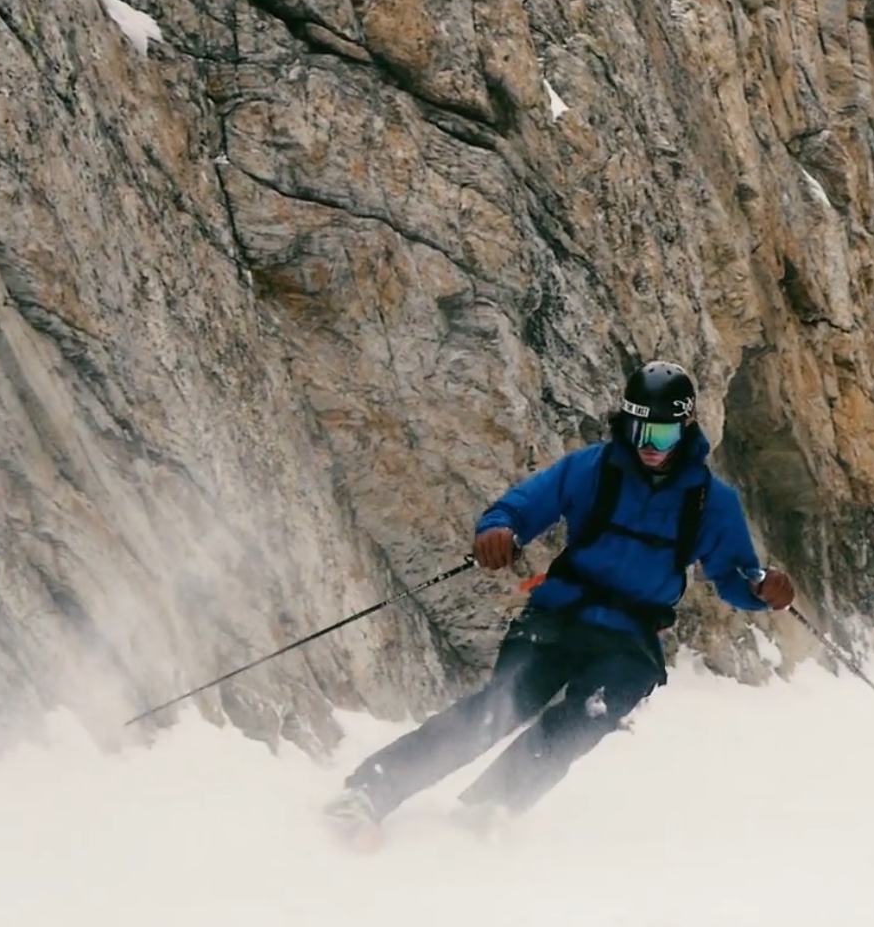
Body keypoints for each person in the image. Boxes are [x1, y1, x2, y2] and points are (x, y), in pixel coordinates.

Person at [323, 360, 796, 847]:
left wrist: (764, 590)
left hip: (629, 638)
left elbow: (736, 575)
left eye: (664, 433)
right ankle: (369, 791)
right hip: (558, 615)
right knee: (499, 708)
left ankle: (492, 806)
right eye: (639, 430)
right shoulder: (591, 469)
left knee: (588, 715)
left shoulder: (710, 502)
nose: (650, 447)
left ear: (687, 427)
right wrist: (498, 533)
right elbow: (519, 508)